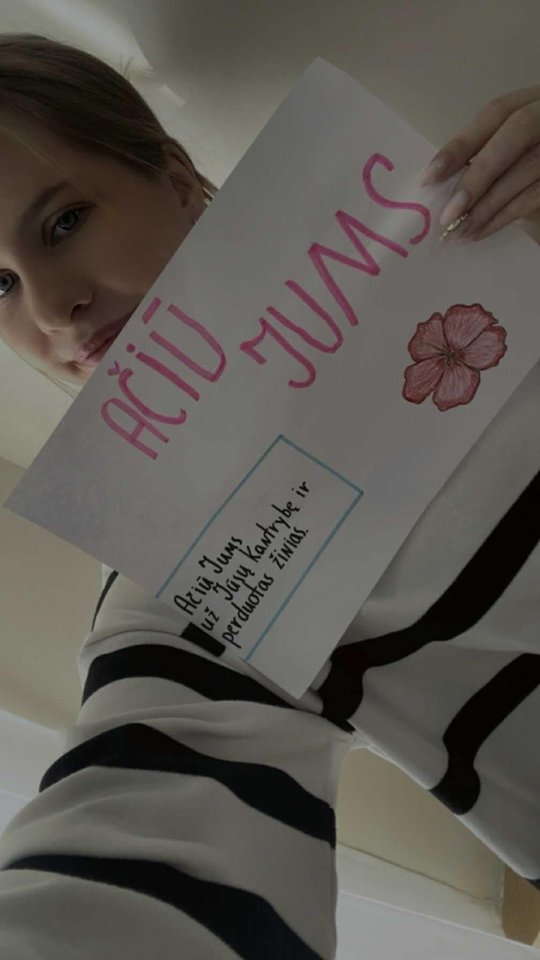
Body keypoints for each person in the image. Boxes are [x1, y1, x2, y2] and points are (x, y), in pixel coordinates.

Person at [0, 32, 537, 960]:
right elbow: (149, 823)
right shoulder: (176, 575)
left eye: (63, 222)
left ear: (175, 180)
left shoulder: (467, 241)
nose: (51, 308)